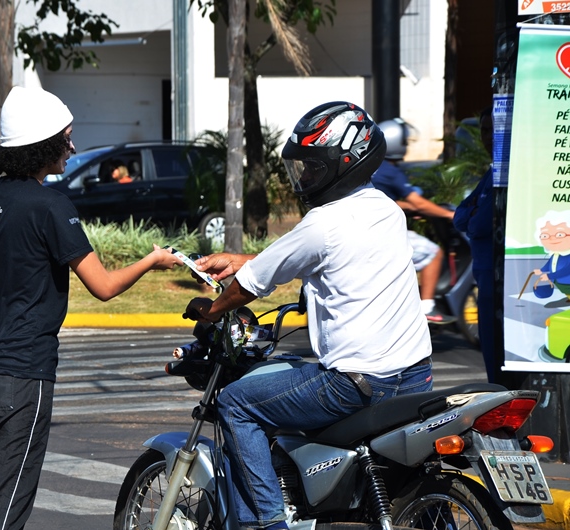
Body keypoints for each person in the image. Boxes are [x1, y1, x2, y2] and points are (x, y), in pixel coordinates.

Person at [185, 102, 433, 530]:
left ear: (346, 163)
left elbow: (252, 284)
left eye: (315, 167)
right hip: (415, 375)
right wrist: (240, 259)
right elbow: (309, 254)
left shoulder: (323, 221)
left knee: (237, 403)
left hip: (355, 385)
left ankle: (267, 522)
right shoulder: (385, 209)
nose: (307, 177)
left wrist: (211, 311)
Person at [0, 86, 180, 529]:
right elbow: (104, 286)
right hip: (20, 375)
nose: (72, 147)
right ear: (45, 145)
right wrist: (153, 260)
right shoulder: (51, 205)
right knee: (3, 508)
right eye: (67, 138)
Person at [371, 118, 457, 325]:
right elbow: (417, 201)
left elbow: (384, 200)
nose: (407, 145)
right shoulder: (391, 171)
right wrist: (448, 215)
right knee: (433, 253)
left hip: (368, 231)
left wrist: (408, 208)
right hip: (383, 235)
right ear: (395, 143)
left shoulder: (373, 167)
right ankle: (427, 308)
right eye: (405, 141)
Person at [453, 107, 498, 383]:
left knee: (498, 372)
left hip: (498, 288)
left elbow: (477, 224)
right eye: (484, 130)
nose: (488, 137)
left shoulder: (504, 176)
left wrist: (472, 215)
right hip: (485, 284)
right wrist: (472, 215)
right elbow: (460, 216)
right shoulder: (491, 175)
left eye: (494, 130)